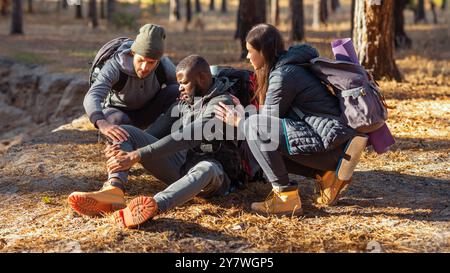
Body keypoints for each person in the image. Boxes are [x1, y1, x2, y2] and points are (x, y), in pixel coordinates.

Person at [69, 55, 244, 228]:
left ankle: (153, 206)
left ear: (203, 78)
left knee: (206, 168)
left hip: (216, 177)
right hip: (183, 165)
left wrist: (138, 154)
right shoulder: (184, 103)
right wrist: (124, 147)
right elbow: (152, 134)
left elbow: (186, 138)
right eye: (179, 83)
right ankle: (114, 190)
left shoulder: (222, 104)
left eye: (184, 83)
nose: (179, 88)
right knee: (127, 132)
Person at [215, 24, 367, 216]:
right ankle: (326, 176)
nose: (247, 57)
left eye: (250, 51)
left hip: (332, 146)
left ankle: (285, 198)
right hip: (334, 143)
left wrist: (239, 119)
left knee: (253, 128)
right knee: (256, 141)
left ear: (263, 51)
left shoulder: (283, 75)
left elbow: (264, 125)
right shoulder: (287, 68)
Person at [83, 24, 180, 143]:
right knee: (116, 121)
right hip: (120, 112)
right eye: (141, 60)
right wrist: (101, 123)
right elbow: (92, 95)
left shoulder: (163, 64)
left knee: (177, 92)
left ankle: (168, 138)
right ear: (132, 53)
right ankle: (121, 142)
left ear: (158, 60)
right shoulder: (115, 65)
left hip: (150, 110)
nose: (144, 67)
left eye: (151, 63)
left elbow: (181, 87)